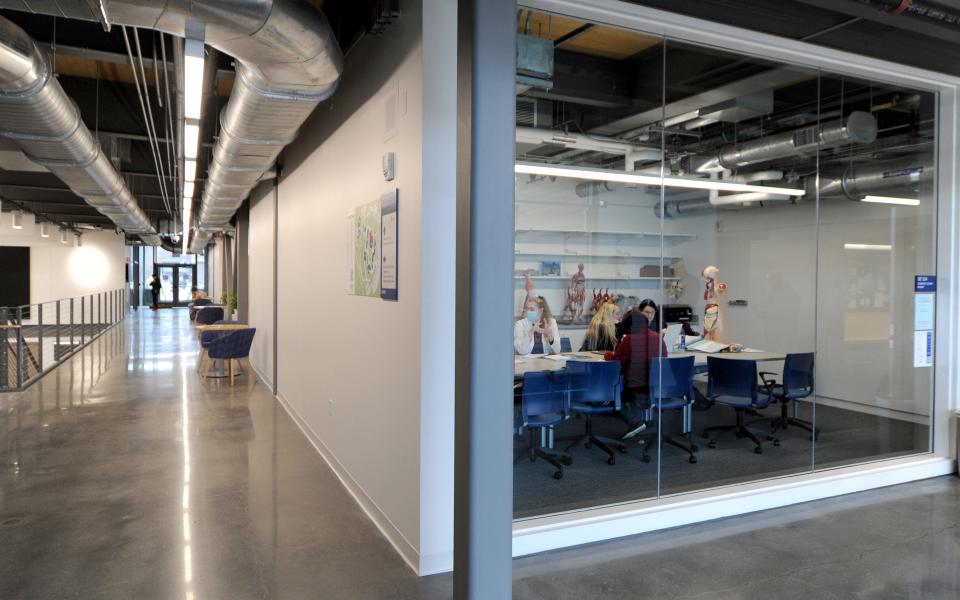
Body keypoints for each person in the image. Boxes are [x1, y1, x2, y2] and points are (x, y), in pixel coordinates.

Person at [605, 310, 667, 439]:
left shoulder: (630, 339)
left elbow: (616, 361)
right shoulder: (658, 337)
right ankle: (643, 422)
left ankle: (635, 421)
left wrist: (607, 355)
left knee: (611, 392)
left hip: (637, 387)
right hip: (659, 386)